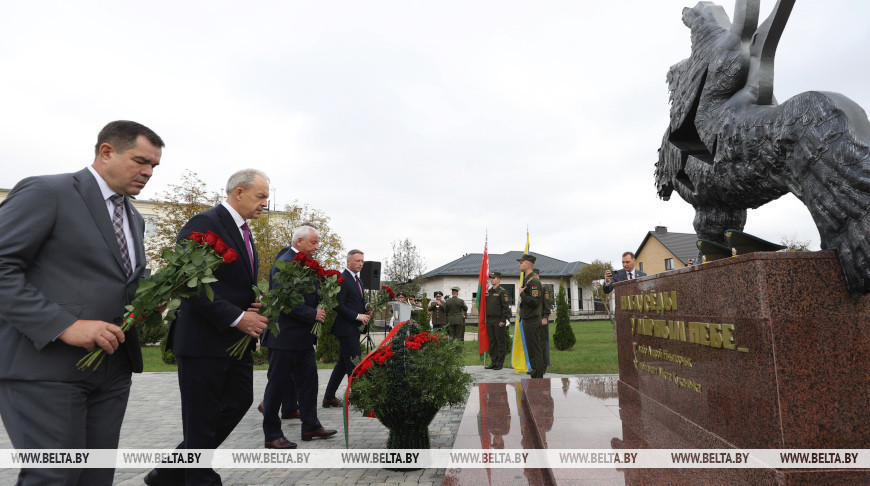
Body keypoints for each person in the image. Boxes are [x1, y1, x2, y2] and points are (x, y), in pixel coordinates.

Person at [0, 120, 163, 486]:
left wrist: (148, 301)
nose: (148, 172)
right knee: (54, 476)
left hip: (112, 369)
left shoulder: (133, 218)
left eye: (154, 166)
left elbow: (118, 284)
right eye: (141, 161)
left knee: (95, 477)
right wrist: (63, 325)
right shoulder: (48, 191)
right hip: (44, 368)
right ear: (106, 152)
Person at [146, 169, 271, 486]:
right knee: (201, 416)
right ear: (239, 192)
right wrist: (238, 316)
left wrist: (253, 305)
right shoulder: (204, 224)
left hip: (233, 340)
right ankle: (198, 478)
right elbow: (189, 284)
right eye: (261, 197)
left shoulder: (244, 231)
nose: (265, 204)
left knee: (240, 400)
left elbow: (232, 283)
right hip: (203, 340)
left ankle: (171, 471)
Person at [261, 225, 337, 449]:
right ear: (299, 242)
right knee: (277, 387)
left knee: (309, 382)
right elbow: (285, 301)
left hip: (302, 339)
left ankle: (310, 425)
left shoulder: (303, 262)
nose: (317, 247)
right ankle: (272, 434)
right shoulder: (285, 262)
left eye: (317, 243)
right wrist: (312, 313)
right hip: (284, 338)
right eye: (313, 243)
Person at [322, 249, 370, 408]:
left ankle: (329, 397)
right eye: (357, 261)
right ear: (348, 261)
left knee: (342, 364)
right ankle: (359, 397)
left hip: (354, 328)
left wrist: (366, 310)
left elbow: (355, 302)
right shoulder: (342, 278)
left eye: (362, 261)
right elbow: (337, 305)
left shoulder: (359, 280)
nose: (361, 264)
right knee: (354, 363)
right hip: (345, 329)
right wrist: (357, 316)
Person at [517, 255, 546, 378]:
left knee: (535, 350)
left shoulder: (534, 281)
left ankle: (538, 376)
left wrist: (522, 295)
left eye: (521, 262)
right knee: (531, 350)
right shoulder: (527, 280)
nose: (519, 264)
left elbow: (535, 302)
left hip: (533, 320)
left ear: (529, 264)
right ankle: (535, 372)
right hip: (528, 318)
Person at [484, 272, 512, 370]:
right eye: (491, 278)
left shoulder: (502, 292)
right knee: (492, 342)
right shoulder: (488, 292)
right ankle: (493, 361)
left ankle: (500, 363)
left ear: (499, 279)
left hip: (498, 320)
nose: (492, 280)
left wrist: (503, 320)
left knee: (500, 342)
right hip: (490, 320)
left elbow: (505, 307)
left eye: (494, 278)